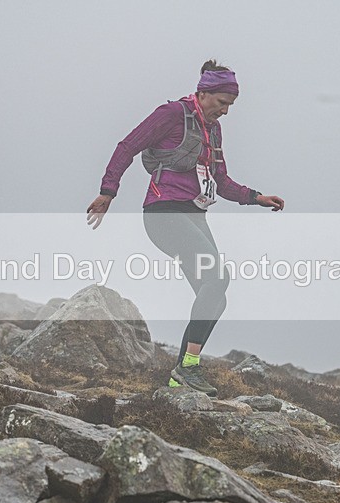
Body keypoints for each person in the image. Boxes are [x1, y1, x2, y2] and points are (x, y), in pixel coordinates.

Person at [86, 60, 284, 397]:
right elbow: (127, 146)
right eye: (222, 102)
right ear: (203, 93)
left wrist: (256, 197)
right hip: (164, 213)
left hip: (194, 216)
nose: (226, 111)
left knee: (217, 295)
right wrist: (108, 191)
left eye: (231, 105)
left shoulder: (214, 131)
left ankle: (182, 373)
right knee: (218, 277)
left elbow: (220, 182)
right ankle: (188, 367)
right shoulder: (171, 114)